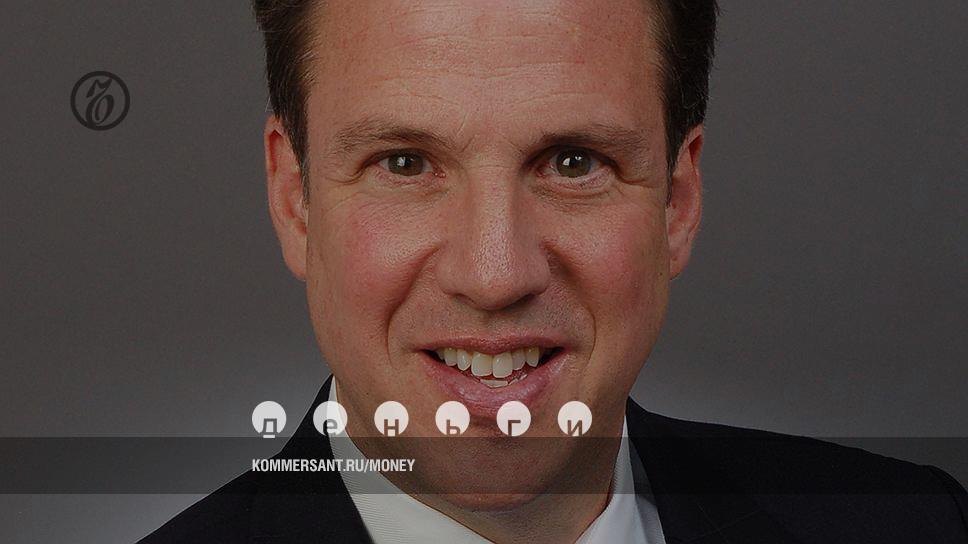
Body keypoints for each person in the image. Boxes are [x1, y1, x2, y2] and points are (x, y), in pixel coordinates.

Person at [141, 0, 968, 542]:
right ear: (295, 201)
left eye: (574, 162)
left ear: (677, 204)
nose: (494, 275)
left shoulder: (916, 526)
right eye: (404, 163)